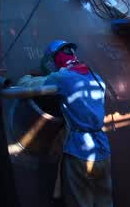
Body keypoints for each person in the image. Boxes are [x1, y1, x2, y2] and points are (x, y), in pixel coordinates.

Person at [42, 40, 113, 207]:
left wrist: (28, 77)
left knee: (81, 201)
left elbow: (30, 85)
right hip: (103, 150)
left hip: (79, 152)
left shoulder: (62, 78)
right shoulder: (97, 78)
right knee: (105, 200)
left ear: (54, 61)